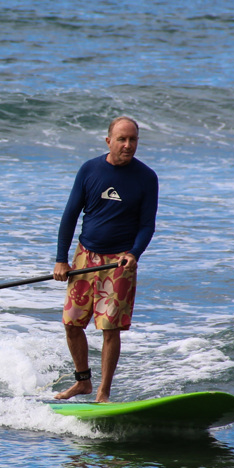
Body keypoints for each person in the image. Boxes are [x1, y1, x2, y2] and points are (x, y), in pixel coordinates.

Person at [52, 116, 158, 402]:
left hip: (120, 264)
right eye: (122, 139)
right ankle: (83, 382)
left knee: (110, 329)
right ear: (108, 140)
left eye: (133, 139)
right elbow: (70, 215)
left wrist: (134, 254)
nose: (128, 145)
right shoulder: (90, 170)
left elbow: (147, 224)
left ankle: (103, 393)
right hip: (85, 258)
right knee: (72, 324)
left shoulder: (146, 177)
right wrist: (62, 259)